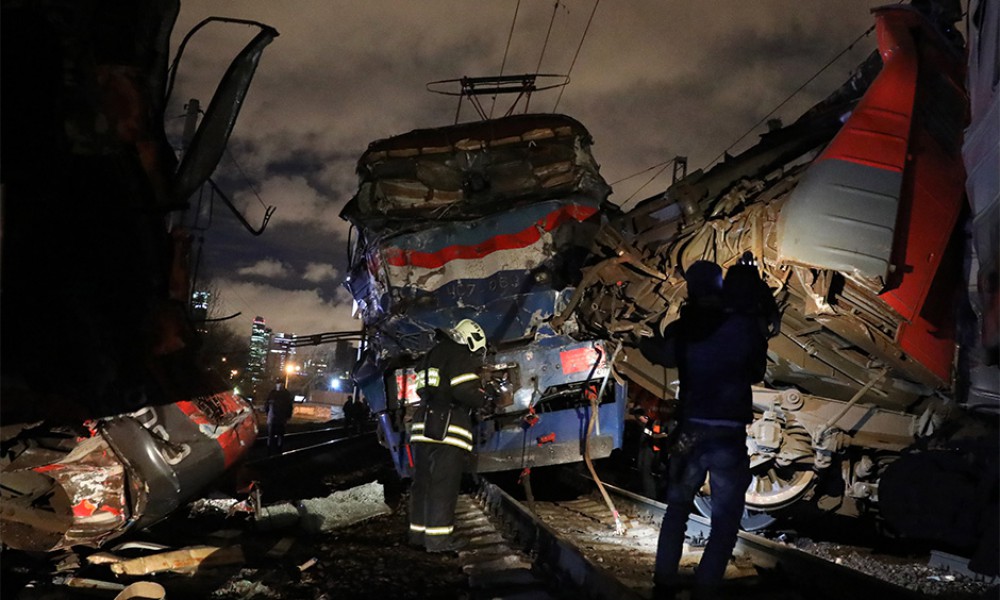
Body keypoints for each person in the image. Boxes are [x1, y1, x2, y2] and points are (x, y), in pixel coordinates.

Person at [639, 259, 768, 598]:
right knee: (725, 521)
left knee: (677, 508)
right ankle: (706, 587)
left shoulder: (685, 327)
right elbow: (756, 372)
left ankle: (664, 580)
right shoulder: (742, 325)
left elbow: (663, 354)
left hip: (690, 431)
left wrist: (641, 340)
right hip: (728, 435)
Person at [408, 318, 488, 553]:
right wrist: (484, 398)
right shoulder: (458, 352)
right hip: (448, 429)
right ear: (469, 339)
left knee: (423, 484)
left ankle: (418, 535)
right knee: (443, 486)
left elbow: (423, 389)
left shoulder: (429, 356)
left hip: (423, 427)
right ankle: (438, 541)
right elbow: (463, 389)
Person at [264, 381, 294, 455]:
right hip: (276, 417)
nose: (279, 385)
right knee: (274, 434)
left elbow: (267, 404)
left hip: (277, 417)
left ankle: (274, 449)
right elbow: (289, 406)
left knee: (277, 434)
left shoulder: (274, 393)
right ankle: (274, 449)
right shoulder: (284, 394)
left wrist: (267, 412)